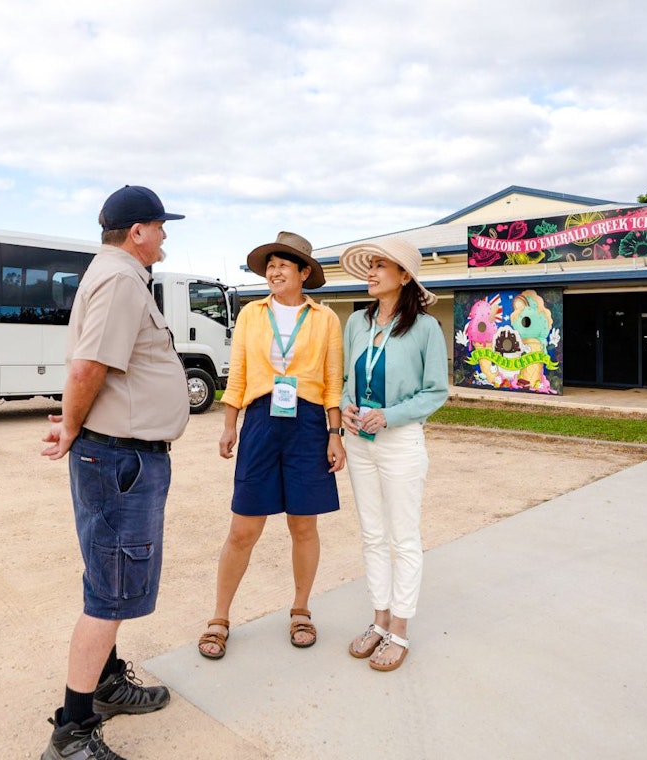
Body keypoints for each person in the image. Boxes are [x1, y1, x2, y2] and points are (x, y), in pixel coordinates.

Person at [39, 185, 190, 759]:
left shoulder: (118, 275)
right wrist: (73, 427)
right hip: (120, 458)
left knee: (115, 581)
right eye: (160, 225)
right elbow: (89, 366)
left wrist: (78, 425)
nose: (165, 235)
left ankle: (104, 686)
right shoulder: (123, 278)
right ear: (138, 232)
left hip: (125, 456)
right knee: (109, 591)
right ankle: (73, 732)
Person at [198, 232, 345, 660]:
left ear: (304, 273)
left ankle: (301, 609)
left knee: (303, 525)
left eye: (284, 265)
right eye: (270, 265)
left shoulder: (325, 319)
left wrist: (334, 434)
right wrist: (230, 425)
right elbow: (238, 373)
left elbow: (333, 382)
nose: (274, 271)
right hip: (261, 421)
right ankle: (219, 617)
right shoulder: (250, 315)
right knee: (243, 528)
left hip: (308, 426)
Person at [337, 237, 448, 672]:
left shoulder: (424, 328)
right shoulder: (356, 323)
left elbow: (436, 391)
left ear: (405, 277)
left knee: (403, 539)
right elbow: (349, 378)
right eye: (371, 265)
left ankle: (399, 629)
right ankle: (378, 619)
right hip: (359, 442)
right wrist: (348, 404)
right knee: (371, 534)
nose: (372, 271)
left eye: (382, 266)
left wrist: (390, 416)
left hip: (400, 442)